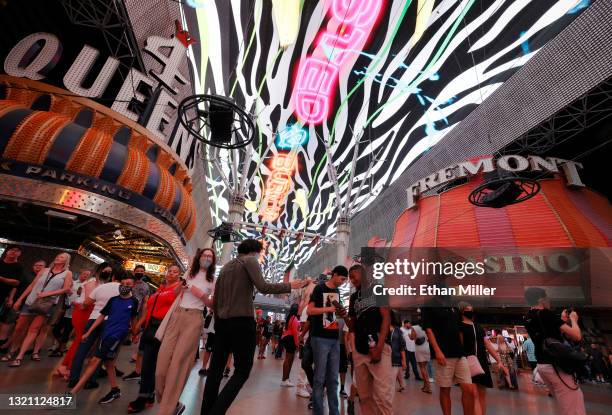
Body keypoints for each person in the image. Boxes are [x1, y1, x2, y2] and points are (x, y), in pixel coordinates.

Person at [202, 239, 308, 414]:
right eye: (260, 252)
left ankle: (206, 411)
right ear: (254, 251)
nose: (260, 256)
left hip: (222, 324)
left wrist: (219, 321)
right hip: (242, 322)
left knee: (215, 370)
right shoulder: (250, 260)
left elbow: (216, 300)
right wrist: (291, 286)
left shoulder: (227, 266)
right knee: (242, 370)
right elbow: (263, 286)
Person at [156, 249, 216, 415]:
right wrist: (180, 288)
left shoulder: (212, 280)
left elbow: (212, 304)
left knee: (178, 364)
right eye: (204, 255)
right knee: (161, 364)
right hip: (177, 314)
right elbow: (176, 293)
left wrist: (203, 296)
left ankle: (167, 410)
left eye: (210, 256)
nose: (206, 258)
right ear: (199, 257)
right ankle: (169, 402)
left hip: (194, 318)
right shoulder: (189, 272)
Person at [70, 271, 138, 404]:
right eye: (122, 284)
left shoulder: (134, 302)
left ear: (133, 285)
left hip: (117, 335)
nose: (124, 286)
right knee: (109, 363)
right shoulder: (113, 300)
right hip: (106, 332)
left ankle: (71, 393)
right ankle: (115, 390)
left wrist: (135, 334)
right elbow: (101, 316)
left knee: (94, 361)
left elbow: (133, 320)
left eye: (128, 284)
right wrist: (89, 332)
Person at [127, 264, 182, 413]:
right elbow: (148, 308)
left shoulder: (179, 289)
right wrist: (139, 324)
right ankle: (148, 395)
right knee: (149, 363)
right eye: (169, 271)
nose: (171, 273)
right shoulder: (161, 288)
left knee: (149, 365)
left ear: (179, 275)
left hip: (162, 329)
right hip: (150, 327)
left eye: (175, 272)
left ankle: (143, 397)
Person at [524, 287, 585, 415]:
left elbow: (547, 331)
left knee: (563, 401)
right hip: (556, 365)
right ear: (541, 299)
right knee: (572, 405)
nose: (548, 300)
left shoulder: (528, 317)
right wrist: (573, 319)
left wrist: (561, 319)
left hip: (542, 365)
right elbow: (576, 335)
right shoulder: (547, 314)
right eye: (546, 297)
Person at [5, 252, 72, 367]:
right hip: (30, 301)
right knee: (19, 328)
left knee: (33, 330)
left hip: (46, 305)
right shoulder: (44, 270)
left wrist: (48, 293)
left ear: (66, 261)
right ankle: (12, 350)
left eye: (61, 257)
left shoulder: (67, 273)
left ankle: (19, 356)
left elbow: (66, 289)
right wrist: (19, 299)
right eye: (58, 256)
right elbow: (32, 286)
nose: (58, 257)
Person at [345, 264, 393, 415]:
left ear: (363, 274)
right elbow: (352, 326)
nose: (352, 280)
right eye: (350, 278)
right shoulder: (354, 297)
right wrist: (344, 315)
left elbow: (386, 318)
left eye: (354, 276)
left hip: (378, 345)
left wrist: (380, 347)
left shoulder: (379, 290)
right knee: (365, 396)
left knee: (383, 396)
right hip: (360, 348)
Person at [68, 262, 120, 388]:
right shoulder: (121, 289)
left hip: (93, 319)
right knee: (99, 352)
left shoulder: (99, 287)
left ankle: (73, 379)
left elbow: (86, 303)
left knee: (82, 349)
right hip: (109, 321)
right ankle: (91, 380)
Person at [422, 293, 475, 415]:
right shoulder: (428, 306)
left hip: (459, 353)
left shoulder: (453, 306)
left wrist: (463, 349)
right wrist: (438, 351)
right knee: (445, 389)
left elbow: (459, 329)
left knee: (469, 389)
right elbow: (428, 330)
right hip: (443, 354)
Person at [307, 266, 348, 415]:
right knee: (319, 377)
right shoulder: (319, 289)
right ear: (335, 275)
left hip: (334, 338)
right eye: (342, 279)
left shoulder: (337, 292)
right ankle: (318, 411)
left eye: (345, 280)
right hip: (320, 337)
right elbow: (309, 310)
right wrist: (328, 309)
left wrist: (341, 312)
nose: (343, 282)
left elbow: (333, 316)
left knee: (333, 378)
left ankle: (334, 412)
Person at [458, 302, 508, 415]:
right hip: (467, 362)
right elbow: (460, 346)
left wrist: (499, 360)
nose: (470, 310)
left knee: (481, 394)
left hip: (481, 361)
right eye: (467, 309)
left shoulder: (478, 327)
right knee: (471, 393)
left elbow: (488, 344)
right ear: (461, 311)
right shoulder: (459, 326)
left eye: (471, 309)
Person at [1, 258, 42, 349]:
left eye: (40, 266)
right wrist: (11, 298)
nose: (38, 268)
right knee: (8, 322)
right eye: (36, 265)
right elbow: (15, 286)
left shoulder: (44, 279)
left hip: (31, 306)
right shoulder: (26, 275)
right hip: (18, 302)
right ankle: (2, 342)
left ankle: (10, 345)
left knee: (21, 327)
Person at [51, 270, 92, 357]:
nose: (85, 275)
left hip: (76, 311)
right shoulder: (72, 283)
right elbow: (65, 293)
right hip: (67, 309)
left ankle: (60, 350)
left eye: (87, 275)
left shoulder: (87, 286)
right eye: (84, 273)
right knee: (55, 330)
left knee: (67, 331)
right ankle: (62, 346)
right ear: (80, 274)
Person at [0, 245, 25, 348]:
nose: (14, 252)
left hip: (2, 295)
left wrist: (2, 279)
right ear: (7, 251)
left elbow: (16, 283)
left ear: (19, 254)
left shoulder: (18, 267)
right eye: (11, 250)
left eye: (17, 251)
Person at [409, 319, 432, 393]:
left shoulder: (414, 327)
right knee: (425, 367)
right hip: (427, 347)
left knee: (422, 368)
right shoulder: (426, 327)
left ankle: (428, 386)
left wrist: (410, 336)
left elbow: (412, 337)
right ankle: (425, 386)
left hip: (419, 348)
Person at [280, 303, 300, 386]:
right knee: (289, 359)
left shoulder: (289, 317)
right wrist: (297, 343)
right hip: (291, 339)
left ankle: (286, 379)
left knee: (288, 359)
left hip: (286, 338)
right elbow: (295, 332)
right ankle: (285, 379)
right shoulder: (294, 318)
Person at [390, 314, 407, 392]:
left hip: (396, 356)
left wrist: (404, 361)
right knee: (398, 373)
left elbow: (402, 346)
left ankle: (393, 389)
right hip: (389, 356)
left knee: (395, 374)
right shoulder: (385, 329)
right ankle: (402, 385)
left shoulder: (398, 331)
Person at [199, 310, 216, 376]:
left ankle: (210, 368)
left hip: (220, 331)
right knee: (208, 350)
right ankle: (203, 368)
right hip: (213, 330)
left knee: (214, 351)